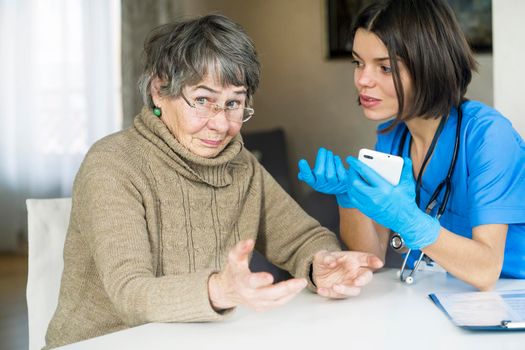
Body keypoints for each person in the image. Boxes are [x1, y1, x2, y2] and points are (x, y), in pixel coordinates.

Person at [44, 14, 383, 349]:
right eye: (203, 100)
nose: (220, 124)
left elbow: (300, 238)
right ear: (160, 91)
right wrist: (219, 289)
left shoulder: (240, 165)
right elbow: (130, 292)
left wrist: (319, 263)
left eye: (233, 103)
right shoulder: (114, 163)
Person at [298, 0, 525, 291]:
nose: (362, 80)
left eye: (385, 68)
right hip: (454, 293)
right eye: (358, 62)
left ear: (430, 67)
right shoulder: (393, 136)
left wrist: (410, 220)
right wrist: (348, 199)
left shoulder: (488, 136)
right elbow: (373, 253)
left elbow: (486, 269)